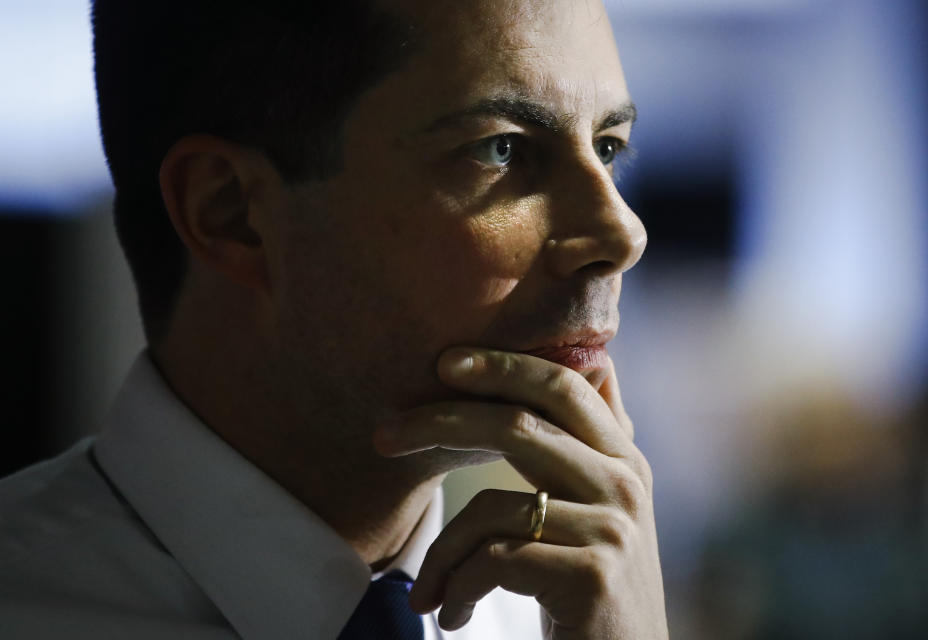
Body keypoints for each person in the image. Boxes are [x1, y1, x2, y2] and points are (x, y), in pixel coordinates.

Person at [0, 0, 668, 638]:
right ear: (230, 212)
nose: (621, 232)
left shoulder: (576, 615)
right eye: (503, 150)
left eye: (609, 147)